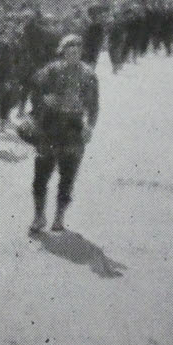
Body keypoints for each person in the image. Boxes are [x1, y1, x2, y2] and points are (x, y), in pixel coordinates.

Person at [27, 34, 100, 234]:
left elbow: (93, 105)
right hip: (50, 126)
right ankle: (39, 215)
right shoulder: (51, 70)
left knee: (67, 176)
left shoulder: (88, 75)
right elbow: (34, 90)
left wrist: (89, 126)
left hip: (73, 128)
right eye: (69, 51)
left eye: (77, 51)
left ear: (81, 52)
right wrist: (43, 99)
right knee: (41, 175)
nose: (73, 54)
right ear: (62, 52)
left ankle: (59, 217)